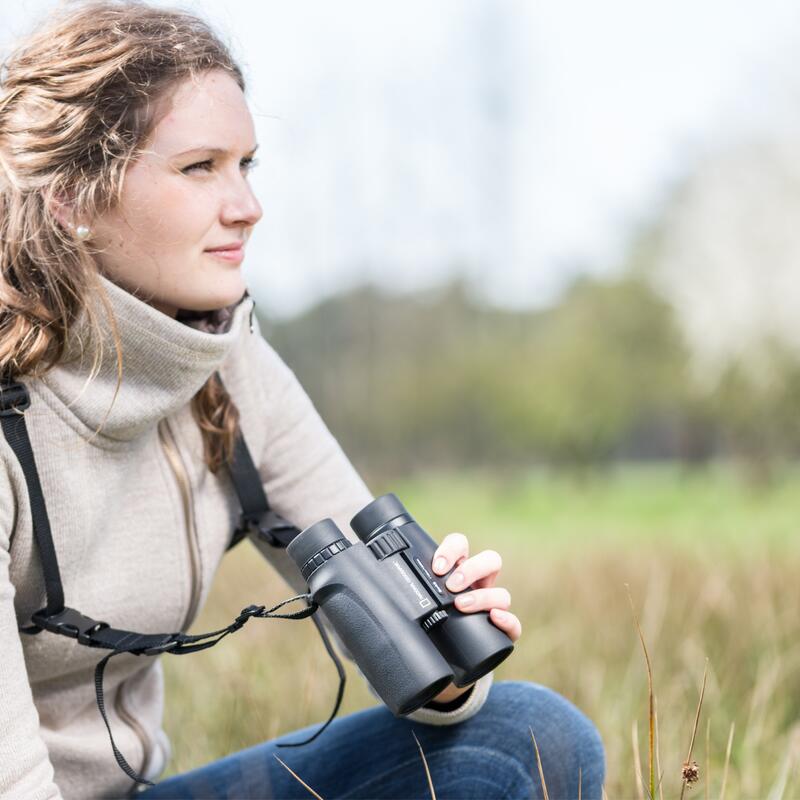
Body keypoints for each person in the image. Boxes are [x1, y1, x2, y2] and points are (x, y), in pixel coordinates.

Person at [0, 2, 605, 798]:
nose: (248, 205)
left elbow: (433, 696)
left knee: (532, 740)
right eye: (199, 167)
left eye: (247, 164)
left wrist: (446, 650)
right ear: (73, 198)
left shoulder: (227, 366)